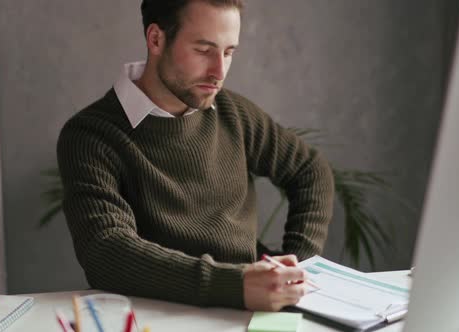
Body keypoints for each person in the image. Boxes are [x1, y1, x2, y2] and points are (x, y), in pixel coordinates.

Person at [57, 0, 334, 312]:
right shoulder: (91, 135)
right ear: (156, 39)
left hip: (253, 311)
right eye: (204, 50)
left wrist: (298, 268)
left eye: (229, 52)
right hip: (159, 316)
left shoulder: (234, 113)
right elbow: (106, 251)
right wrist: (236, 284)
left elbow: (311, 170)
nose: (219, 71)